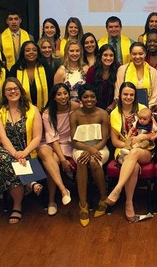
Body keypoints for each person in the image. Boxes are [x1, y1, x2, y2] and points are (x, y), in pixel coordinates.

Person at [0, 77, 43, 224]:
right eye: (9, 89)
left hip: (27, 149)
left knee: (13, 163)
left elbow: (37, 137)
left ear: (21, 90)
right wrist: (15, 154)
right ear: (4, 92)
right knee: (4, 158)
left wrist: (24, 152)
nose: (12, 91)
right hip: (5, 149)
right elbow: (2, 137)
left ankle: (17, 205)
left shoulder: (33, 110)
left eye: (15, 88)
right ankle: (29, 183)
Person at [106, 83, 157, 222]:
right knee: (134, 166)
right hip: (123, 150)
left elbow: (154, 133)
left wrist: (141, 138)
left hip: (144, 150)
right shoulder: (114, 114)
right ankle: (129, 203)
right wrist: (128, 145)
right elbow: (115, 141)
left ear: (135, 96)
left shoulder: (143, 109)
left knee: (135, 153)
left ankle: (117, 189)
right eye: (125, 94)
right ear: (120, 95)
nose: (128, 97)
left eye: (131, 94)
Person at [70, 84, 110, 227]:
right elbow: (74, 141)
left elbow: (104, 139)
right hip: (80, 147)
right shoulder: (74, 115)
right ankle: (83, 205)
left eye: (92, 96)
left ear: (96, 98)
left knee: (93, 162)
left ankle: (103, 198)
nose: (89, 99)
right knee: (82, 161)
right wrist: (87, 149)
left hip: (100, 148)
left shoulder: (103, 114)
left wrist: (93, 150)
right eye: (85, 97)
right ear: (80, 99)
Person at [38, 83, 77, 216]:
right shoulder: (47, 113)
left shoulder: (75, 107)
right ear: (54, 97)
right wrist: (63, 160)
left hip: (67, 143)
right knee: (45, 153)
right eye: (59, 94)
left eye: (65, 93)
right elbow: (52, 137)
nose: (63, 97)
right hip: (51, 143)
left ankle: (51, 200)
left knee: (51, 163)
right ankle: (63, 190)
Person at [8, 41, 53, 110]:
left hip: (44, 110)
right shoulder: (15, 69)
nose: (31, 52)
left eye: (34, 50)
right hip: (21, 109)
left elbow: (51, 90)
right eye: (27, 50)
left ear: (38, 52)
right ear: (23, 53)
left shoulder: (45, 68)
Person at [114, 42, 157, 110]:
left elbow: (154, 96)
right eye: (134, 54)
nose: (137, 57)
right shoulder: (122, 70)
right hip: (125, 110)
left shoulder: (152, 71)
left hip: (146, 110)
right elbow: (118, 93)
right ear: (130, 54)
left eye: (140, 54)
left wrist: (144, 111)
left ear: (145, 54)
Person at [85, 44, 119, 111]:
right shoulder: (92, 71)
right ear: (100, 56)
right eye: (105, 55)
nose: (108, 58)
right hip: (94, 107)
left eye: (111, 55)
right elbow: (88, 91)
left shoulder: (118, 68)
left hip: (114, 107)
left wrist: (113, 105)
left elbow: (120, 89)